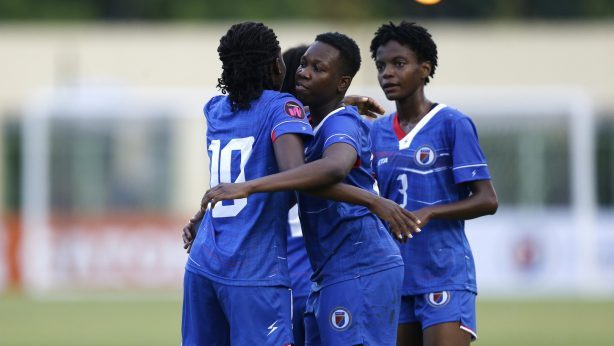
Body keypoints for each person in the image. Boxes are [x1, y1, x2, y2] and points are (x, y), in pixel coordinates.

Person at [202, 32, 420, 346]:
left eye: (318, 69)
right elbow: (299, 181)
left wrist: (248, 187)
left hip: (360, 266)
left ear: (341, 82)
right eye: (304, 64)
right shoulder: (308, 122)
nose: (303, 72)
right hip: (328, 272)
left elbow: (333, 169)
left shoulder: (341, 124)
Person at [181, 22, 313, 346]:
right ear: (274, 65)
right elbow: (297, 175)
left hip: (203, 261)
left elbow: (235, 174)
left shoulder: (215, 111)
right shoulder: (283, 107)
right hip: (255, 270)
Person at [368, 21, 499, 345]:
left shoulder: (452, 123)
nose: (387, 73)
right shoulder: (375, 131)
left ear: (424, 69)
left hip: (444, 273)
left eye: (399, 64)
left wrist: (430, 212)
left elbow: (487, 199)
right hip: (395, 275)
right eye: (382, 65)